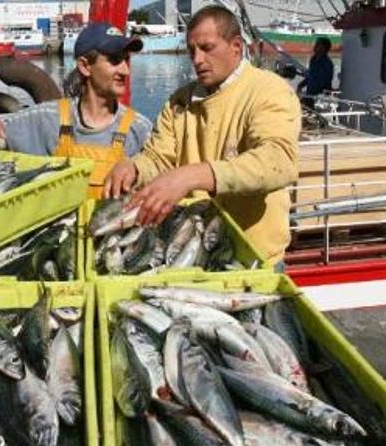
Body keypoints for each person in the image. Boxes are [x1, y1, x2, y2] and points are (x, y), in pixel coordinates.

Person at [103, 5, 301, 267]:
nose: (197, 59)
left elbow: (279, 161)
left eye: (207, 48)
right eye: (192, 50)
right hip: (191, 253)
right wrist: (135, 167)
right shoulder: (179, 101)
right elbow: (158, 158)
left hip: (252, 259)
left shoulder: (268, 91)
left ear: (236, 47)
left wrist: (192, 175)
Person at [0, 22, 153, 198]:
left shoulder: (140, 129)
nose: (126, 71)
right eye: (115, 60)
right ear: (85, 66)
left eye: (126, 60)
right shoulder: (45, 119)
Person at [297, 37, 334, 106]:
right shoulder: (313, 60)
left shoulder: (327, 63)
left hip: (319, 98)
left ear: (323, 48)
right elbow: (310, 76)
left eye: (318, 44)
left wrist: (312, 95)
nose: (315, 46)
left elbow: (325, 81)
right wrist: (301, 85)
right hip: (309, 95)